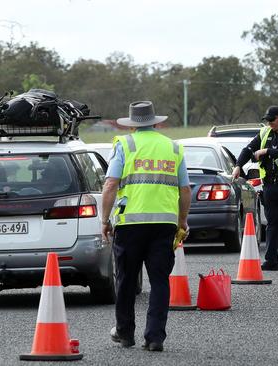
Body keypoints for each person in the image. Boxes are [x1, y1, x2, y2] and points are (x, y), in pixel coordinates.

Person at [101, 101, 192, 352]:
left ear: (132, 125)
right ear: (155, 122)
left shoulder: (125, 145)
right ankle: (155, 338)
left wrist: (104, 220)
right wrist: (182, 220)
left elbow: (110, 185)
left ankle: (125, 333)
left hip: (130, 223)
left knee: (127, 281)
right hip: (164, 223)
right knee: (160, 281)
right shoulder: (173, 147)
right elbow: (184, 189)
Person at [232, 106, 278, 271]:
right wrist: (238, 165)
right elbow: (249, 149)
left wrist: (266, 151)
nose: (270, 123)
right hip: (270, 184)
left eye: (272, 120)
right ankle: (271, 261)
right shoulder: (265, 132)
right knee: (272, 223)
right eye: (268, 120)